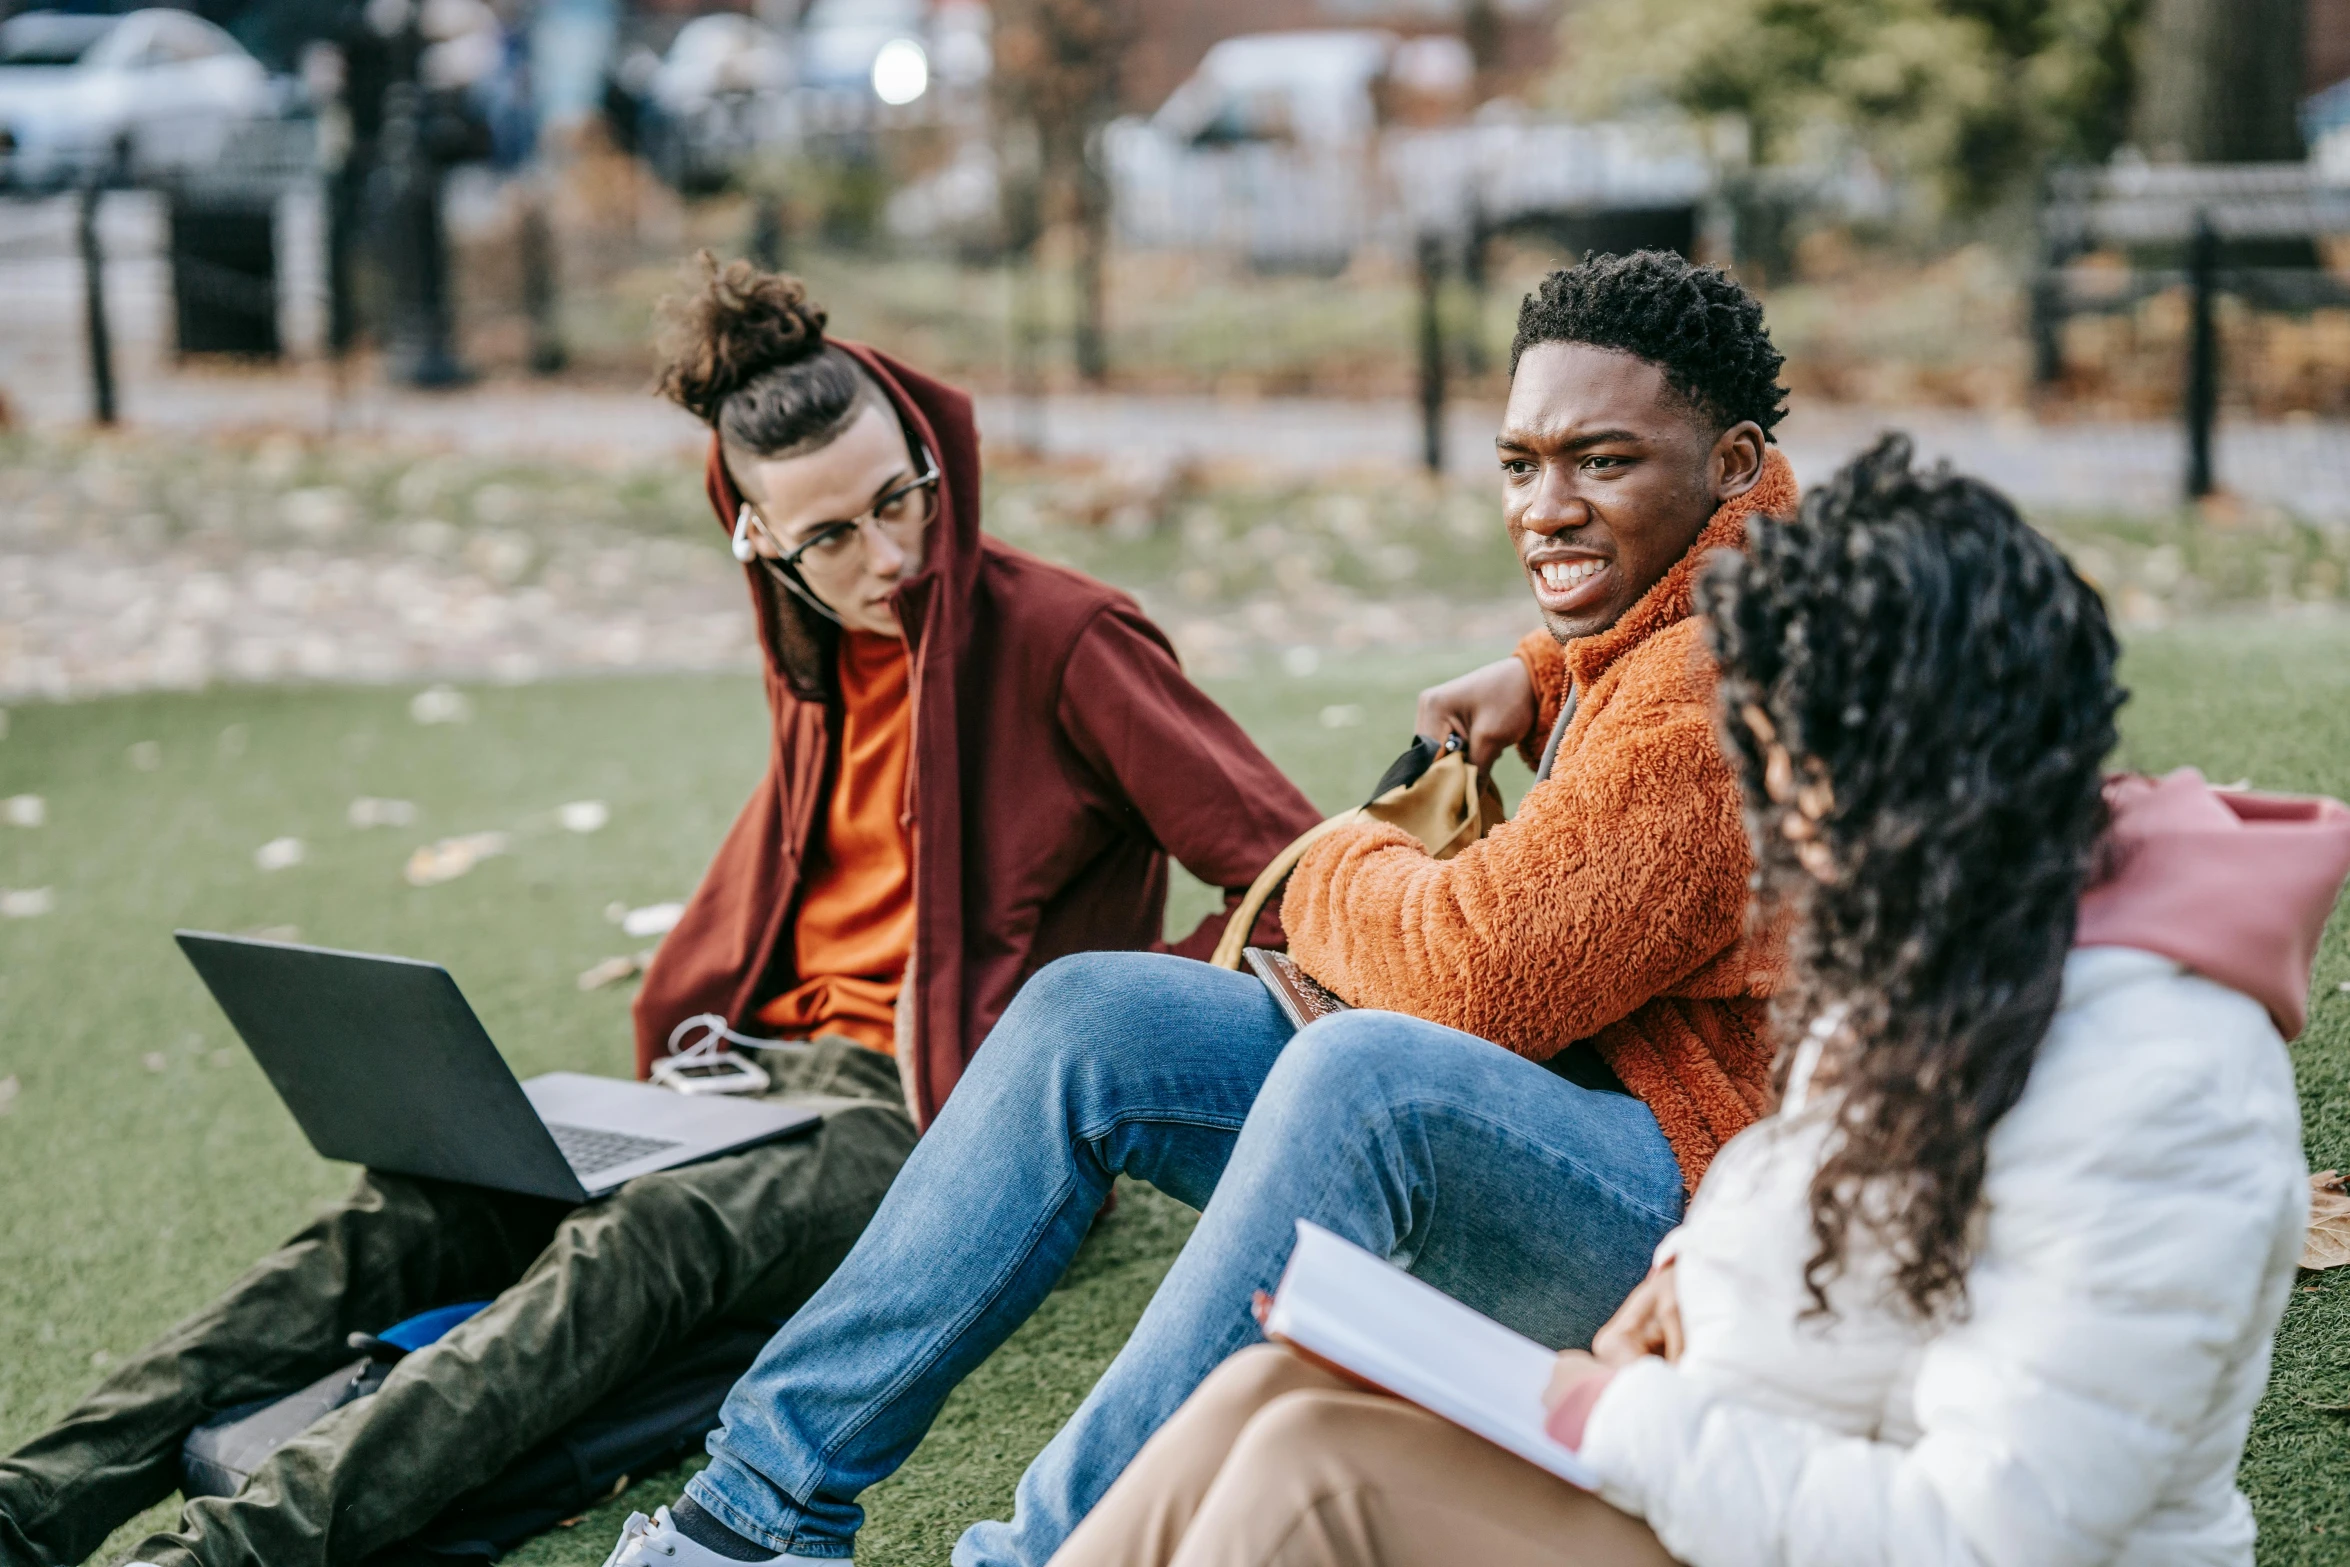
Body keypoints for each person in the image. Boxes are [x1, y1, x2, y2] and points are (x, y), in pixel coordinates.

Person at [0, 260, 1320, 1567]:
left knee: (641, 1240)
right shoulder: (816, 659)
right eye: (829, 537)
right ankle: (35, 1499)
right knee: (408, 1209)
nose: (888, 554)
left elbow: (1284, 866)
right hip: (738, 1076)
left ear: (929, 455)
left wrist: (1104, 1006)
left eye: (897, 499)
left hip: (926, 1114)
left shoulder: (1066, 638)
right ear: (757, 539)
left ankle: (231, 1551)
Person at [602, 249, 1800, 1567]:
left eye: (1602, 462)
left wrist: (1325, 863)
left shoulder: (1713, 691)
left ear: (1732, 462)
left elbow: (1477, 979)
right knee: (1086, 1015)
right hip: (1591, 1117)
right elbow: (1623, 684)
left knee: (1370, 1080)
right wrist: (1534, 666)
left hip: (1692, 1214)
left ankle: (1044, 1555)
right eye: (1521, 463)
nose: (1544, 506)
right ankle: (754, 1512)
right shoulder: (1692, 603)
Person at [1043, 436, 2348, 1567]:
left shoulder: (2159, 1085)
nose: (1779, 829)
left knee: (1310, 1477)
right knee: (1265, 1391)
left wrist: (1608, 1416)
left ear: (1936, 774)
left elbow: (1979, 1535)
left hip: (1820, 1519)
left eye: (1800, 783)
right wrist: (1687, 1272)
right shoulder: (1954, 925)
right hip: (1743, 1462)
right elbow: (1810, 1167)